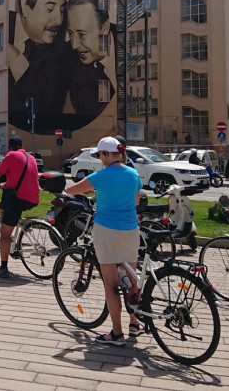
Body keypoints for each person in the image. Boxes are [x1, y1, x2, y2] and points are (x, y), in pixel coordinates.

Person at [66, 137, 144, 345]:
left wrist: (95, 189)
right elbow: (136, 200)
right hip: (130, 230)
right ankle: (134, 323)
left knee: (111, 284)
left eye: (100, 155)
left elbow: (72, 190)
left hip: (107, 230)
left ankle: (117, 334)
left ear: (108, 155)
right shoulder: (133, 173)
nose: (100, 159)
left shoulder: (101, 176)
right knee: (132, 279)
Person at [7, 0, 69, 131]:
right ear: (24, 6)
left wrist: (14, 57)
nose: (58, 20)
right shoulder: (0, 29)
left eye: (62, 10)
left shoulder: (61, 51)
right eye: (50, 8)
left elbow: (45, 101)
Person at [0, 136, 39, 279]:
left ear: (9, 147)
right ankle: (10, 232)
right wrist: (3, 185)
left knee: (4, 234)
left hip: (18, 199)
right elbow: (21, 177)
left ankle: (3, 268)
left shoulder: (10, 155)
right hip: (32, 197)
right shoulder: (31, 157)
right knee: (0, 205)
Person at [63, 0, 114, 124]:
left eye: (81, 34)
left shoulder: (129, 44)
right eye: (70, 33)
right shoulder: (65, 59)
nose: (74, 45)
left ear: (105, 27)